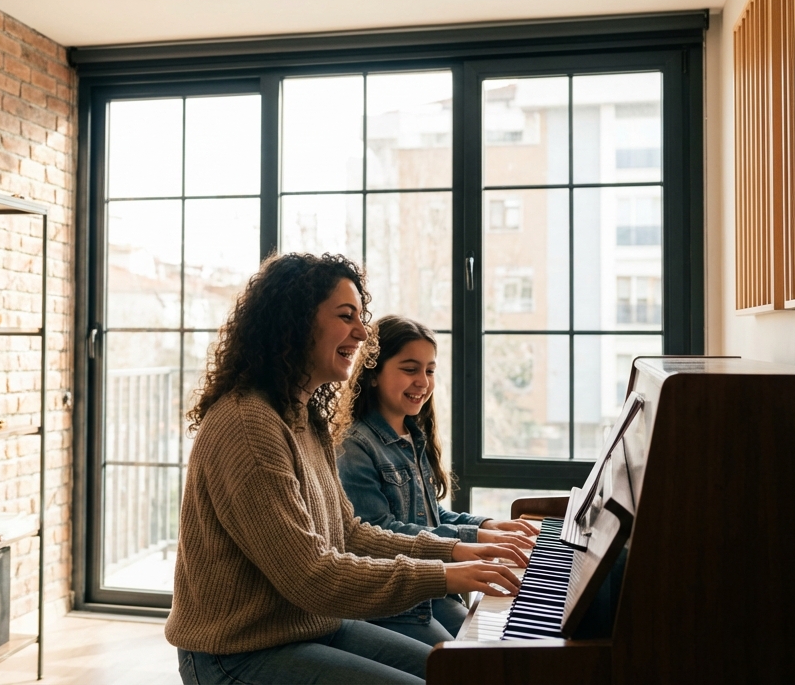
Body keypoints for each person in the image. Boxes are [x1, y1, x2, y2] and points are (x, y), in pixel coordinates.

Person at [166, 254, 524, 685]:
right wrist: (445, 574)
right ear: (295, 323)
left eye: (361, 317)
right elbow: (311, 575)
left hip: (312, 625)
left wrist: (456, 550)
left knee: (460, 672)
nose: (361, 333)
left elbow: (349, 533)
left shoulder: (306, 417)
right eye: (346, 316)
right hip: (236, 653)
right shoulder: (248, 424)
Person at [335, 315, 541, 645]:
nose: (423, 382)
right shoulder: (355, 445)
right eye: (409, 368)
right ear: (373, 375)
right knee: (475, 658)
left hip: (433, 591)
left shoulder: (413, 435)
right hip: (396, 605)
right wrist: (472, 543)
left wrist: (489, 527)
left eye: (429, 370)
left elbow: (430, 515)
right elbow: (378, 532)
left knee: (496, 643)